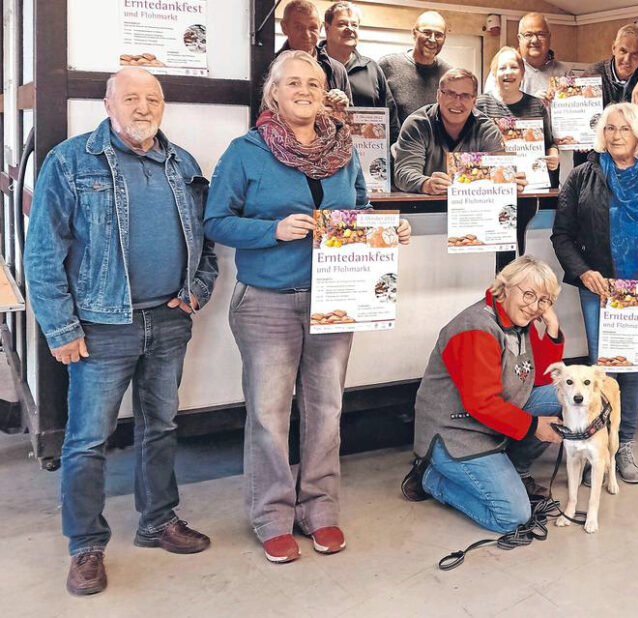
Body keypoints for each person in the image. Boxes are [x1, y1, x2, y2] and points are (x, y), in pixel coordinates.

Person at [204, 50, 412, 563]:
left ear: (325, 95)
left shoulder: (343, 151)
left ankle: (319, 508)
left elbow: (359, 210)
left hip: (338, 300)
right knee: (269, 415)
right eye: (292, 82)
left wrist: (388, 232)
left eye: (313, 85)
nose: (303, 91)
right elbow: (216, 221)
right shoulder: (246, 152)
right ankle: (272, 514)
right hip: (268, 301)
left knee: (326, 410)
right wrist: (271, 230)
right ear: (273, 93)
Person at [23, 67, 218, 595]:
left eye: (152, 98)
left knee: (162, 426)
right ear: (108, 105)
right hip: (101, 326)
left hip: (169, 320)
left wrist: (196, 291)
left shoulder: (183, 164)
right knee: (87, 440)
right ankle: (86, 545)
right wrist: (60, 327)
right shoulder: (70, 162)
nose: (143, 107)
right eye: (130, 97)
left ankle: (158, 521)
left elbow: (207, 244)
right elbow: (42, 254)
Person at [551, 102, 638, 483]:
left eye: (623, 129)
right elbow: (561, 235)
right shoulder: (581, 176)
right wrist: (583, 272)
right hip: (602, 288)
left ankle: (622, 443)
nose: (615, 136)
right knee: (601, 369)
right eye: (609, 128)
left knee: (632, 369)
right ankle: (589, 444)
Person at [400, 256, 565, 533]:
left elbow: (539, 378)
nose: (534, 306)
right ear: (506, 286)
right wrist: (536, 427)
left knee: (564, 396)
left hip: (491, 423)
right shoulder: (476, 328)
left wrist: (551, 329)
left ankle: (517, 470)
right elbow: (481, 403)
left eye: (543, 300)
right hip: (457, 431)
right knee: (513, 515)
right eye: (528, 294)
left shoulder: (518, 320)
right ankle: (431, 477)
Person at [392, 68, 519, 195]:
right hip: (425, 207)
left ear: (474, 101)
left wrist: (511, 181)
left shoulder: (487, 130)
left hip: (473, 207)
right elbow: (403, 172)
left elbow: (499, 173)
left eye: (465, 96)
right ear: (438, 95)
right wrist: (426, 184)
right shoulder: (417, 125)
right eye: (450, 94)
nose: (457, 102)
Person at [320, 1, 400, 144]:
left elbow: (391, 121)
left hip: (367, 156)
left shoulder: (372, 68)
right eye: (342, 24)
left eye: (354, 25)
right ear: (327, 28)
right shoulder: (311, 65)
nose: (350, 29)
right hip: (320, 156)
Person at [475, 46, 560, 181]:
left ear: (522, 72)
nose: (508, 72)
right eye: (502, 68)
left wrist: (554, 155)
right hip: (492, 187)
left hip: (529, 185)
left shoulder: (536, 105)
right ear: (494, 73)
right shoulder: (479, 105)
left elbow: (549, 144)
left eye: (514, 67)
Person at [379, 11, 453, 126]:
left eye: (438, 35)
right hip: (396, 143)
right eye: (427, 33)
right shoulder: (388, 66)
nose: (432, 40)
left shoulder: (449, 75)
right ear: (414, 33)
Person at [277, 0, 351, 108]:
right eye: (299, 27)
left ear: (320, 28)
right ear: (284, 27)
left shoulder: (337, 69)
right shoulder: (272, 67)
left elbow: (349, 121)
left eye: (313, 28)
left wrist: (344, 105)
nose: (306, 34)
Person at [482, 12, 571, 99]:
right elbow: (491, 108)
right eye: (528, 35)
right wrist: (531, 105)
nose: (535, 40)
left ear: (549, 37)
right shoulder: (503, 71)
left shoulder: (564, 73)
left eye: (541, 34)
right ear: (519, 39)